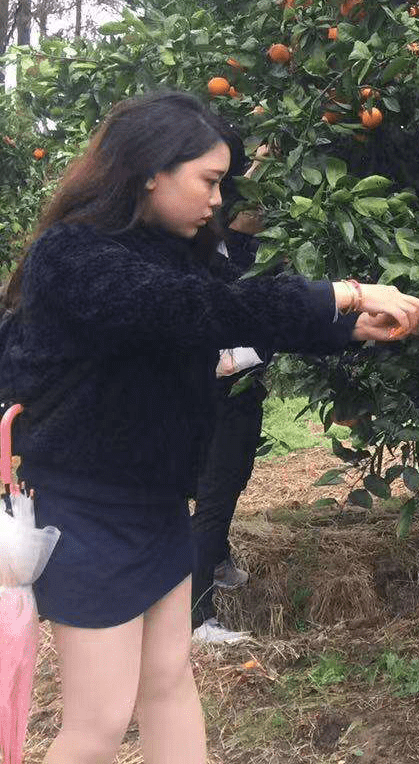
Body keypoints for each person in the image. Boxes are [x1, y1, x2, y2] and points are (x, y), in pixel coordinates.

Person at [0, 91, 419, 764]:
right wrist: (343, 292)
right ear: (149, 172)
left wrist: (349, 328)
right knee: (99, 722)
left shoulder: (177, 248)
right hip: (86, 510)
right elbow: (191, 309)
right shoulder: (73, 254)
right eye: (210, 180)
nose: (217, 201)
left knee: (168, 682)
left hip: (159, 503)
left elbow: (245, 307)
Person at [191, 133, 273, 645]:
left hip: (244, 383)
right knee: (214, 494)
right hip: (219, 385)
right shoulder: (205, 251)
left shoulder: (229, 246)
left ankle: (216, 560)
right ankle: (197, 618)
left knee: (231, 479)